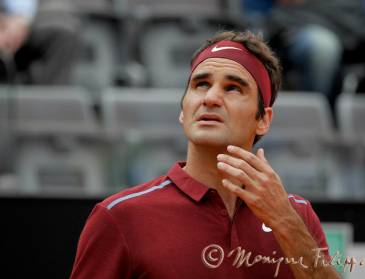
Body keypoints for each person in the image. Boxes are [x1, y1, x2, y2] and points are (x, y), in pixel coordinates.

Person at [70, 31, 340, 279]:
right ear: (182, 110)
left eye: (233, 88)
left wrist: (284, 221)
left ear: (263, 119)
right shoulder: (120, 216)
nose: (210, 98)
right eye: (200, 84)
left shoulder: (297, 215)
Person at [0, 0, 80, 84]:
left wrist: (20, 21)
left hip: (24, 18)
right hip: (13, 19)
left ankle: (49, 94)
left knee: (65, 28)